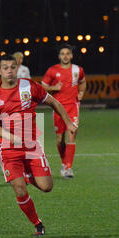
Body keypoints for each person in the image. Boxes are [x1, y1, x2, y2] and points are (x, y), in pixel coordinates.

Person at [0, 54, 77, 236]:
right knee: (19, 188)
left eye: (12, 67)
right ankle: (37, 224)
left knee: (46, 187)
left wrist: (68, 123)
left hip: (32, 146)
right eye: (5, 68)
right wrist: (13, 139)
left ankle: (25, 175)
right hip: (9, 149)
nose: (9, 71)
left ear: (17, 68)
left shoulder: (28, 86)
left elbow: (53, 102)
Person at [41, 44, 86, 179]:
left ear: (71, 55)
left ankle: (68, 168)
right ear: (59, 56)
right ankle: (64, 163)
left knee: (72, 134)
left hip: (73, 106)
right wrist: (54, 87)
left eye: (68, 53)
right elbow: (43, 87)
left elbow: (83, 82)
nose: (65, 56)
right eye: (62, 54)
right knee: (60, 139)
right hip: (58, 107)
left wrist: (82, 92)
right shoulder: (52, 70)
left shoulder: (78, 70)